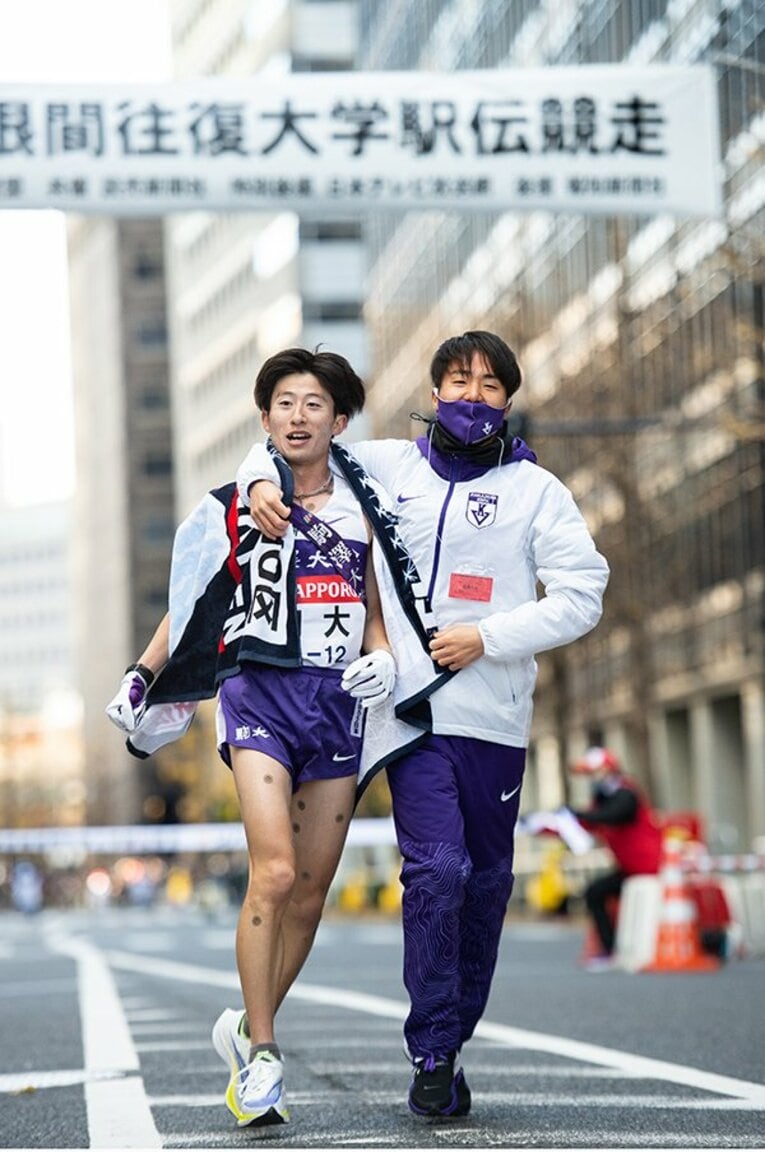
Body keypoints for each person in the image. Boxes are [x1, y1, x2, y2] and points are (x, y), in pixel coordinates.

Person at [238, 330, 610, 1118]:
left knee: (483, 887)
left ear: (507, 399)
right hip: (409, 716)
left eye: (487, 386)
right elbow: (293, 446)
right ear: (434, 390)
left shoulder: (535, 493)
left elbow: (582, 593)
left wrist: (488, 636)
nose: (471, 397)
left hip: (495, 718)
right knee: (435, 871)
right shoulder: (386, 465)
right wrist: (254, 482)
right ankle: (431, 1049)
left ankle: (451, 1038)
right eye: (456, 381)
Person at [107, 348, 408, 1129]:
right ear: (265, 416)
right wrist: (141, 675)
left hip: (337, 703)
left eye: (314, 404)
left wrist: (381, 657)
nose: (298, 415)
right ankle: (266, 1056)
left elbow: (378, 611)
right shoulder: (234, 504)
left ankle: (244, 1026)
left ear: (340, 422)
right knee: (272, 872)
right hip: (259, 695)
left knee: (309, 893)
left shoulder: (366, 508)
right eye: (283, 402)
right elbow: (192, 599)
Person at [568, 745, 663, 967]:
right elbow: (588, 822)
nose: (591, 779)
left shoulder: (625, 793)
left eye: (593, 773)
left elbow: (612, 815)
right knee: (595, 892)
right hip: (629, 869)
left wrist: (578, 814)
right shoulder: (603, 798)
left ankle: (611, 948)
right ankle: (609, 948)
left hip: (648, 868)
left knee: (599, 892)